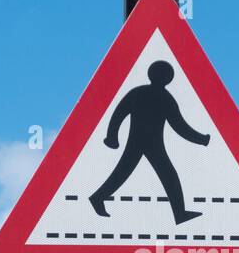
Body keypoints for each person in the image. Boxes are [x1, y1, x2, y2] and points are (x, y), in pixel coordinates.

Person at [89, 60, 210, 224]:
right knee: (165, 175)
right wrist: (201, 139)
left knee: (129, 173)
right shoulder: (164, 98)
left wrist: (112, 136)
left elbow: (119, 114)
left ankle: (98, 197)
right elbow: (179, 126)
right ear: (168, 78)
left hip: (146, 142)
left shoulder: (140, 93)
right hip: (147, 143)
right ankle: (179, 214)